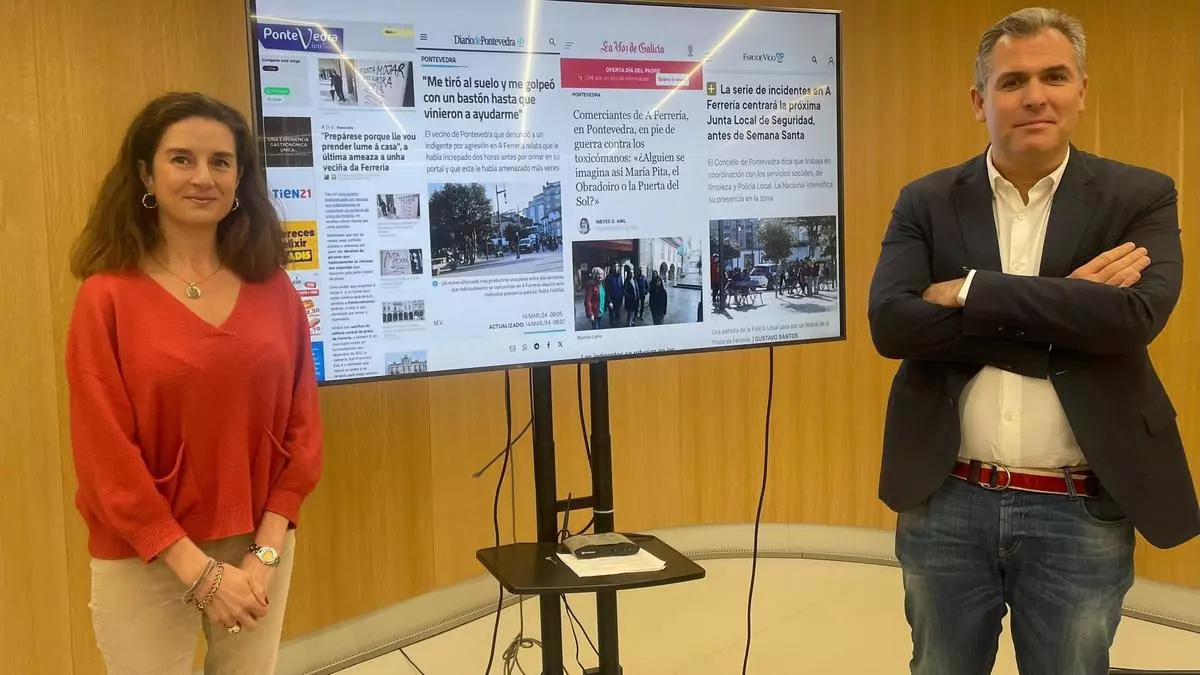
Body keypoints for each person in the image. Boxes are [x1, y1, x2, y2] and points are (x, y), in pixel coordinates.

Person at [867, 8, 1199, 675]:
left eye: (1054, 76)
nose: (1035, 96)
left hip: (1080, 507)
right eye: (1013, 81)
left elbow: (1133, 318)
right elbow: (893, 325)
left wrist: (971, 290)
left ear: (1081, 91)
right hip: (946, 498)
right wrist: (1068, 305)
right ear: (979, 100)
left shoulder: (1139, 195)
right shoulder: (926, 200)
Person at [66, 91, 324, 674]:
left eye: (221, 162)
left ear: (240, 179)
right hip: (145, 554)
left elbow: (303, 426)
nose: (203, 177)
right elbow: (104, 453)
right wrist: (197, 570)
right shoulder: (105, 298)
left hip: (261, 543)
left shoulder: (274, 288)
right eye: (182, 159)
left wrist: (266, 550)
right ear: (145, 175)